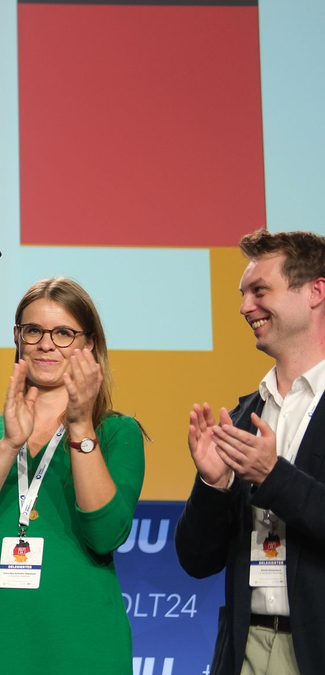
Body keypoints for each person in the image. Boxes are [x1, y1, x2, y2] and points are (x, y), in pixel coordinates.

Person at [0, 277, 145, 674]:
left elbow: (105, 535)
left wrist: (81, 427)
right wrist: (9, 445)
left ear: (89, 344)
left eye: (64, 333)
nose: (46, 344)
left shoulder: (117, 433)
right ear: (18, 337)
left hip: (83, 649)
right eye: (34, 331)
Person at [176, 228, 325, 675]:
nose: (244, 308)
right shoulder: (244, 415)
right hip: (244, 651)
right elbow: (196, 560)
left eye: (260, 290)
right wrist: (213, 484)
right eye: (243, 294)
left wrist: (273, 476)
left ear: (316, 291)